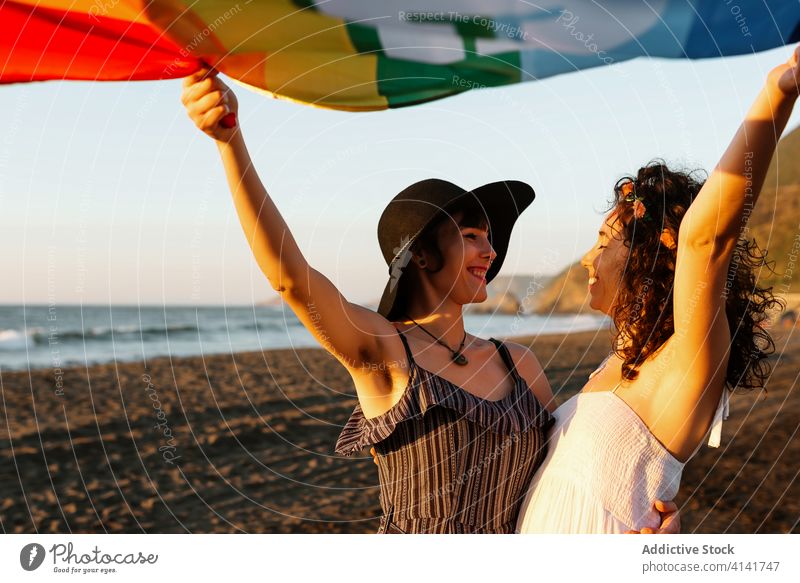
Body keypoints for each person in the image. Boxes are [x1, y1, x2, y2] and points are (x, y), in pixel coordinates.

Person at [179, 68, 680, 534]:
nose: (491, 250)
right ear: (420, 255)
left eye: (490, 237)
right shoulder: (387, 355)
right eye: (470, 235)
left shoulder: (519, 364)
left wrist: (647, 511)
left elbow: (577, 468)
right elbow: (291, 279)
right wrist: (230, 144)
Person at [516, 45, 799, 534]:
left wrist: (778, 89)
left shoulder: (683, 365)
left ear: (658, 251)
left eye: (604, 240)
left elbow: (704, 240)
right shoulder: (612, 369)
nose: (588, 257)